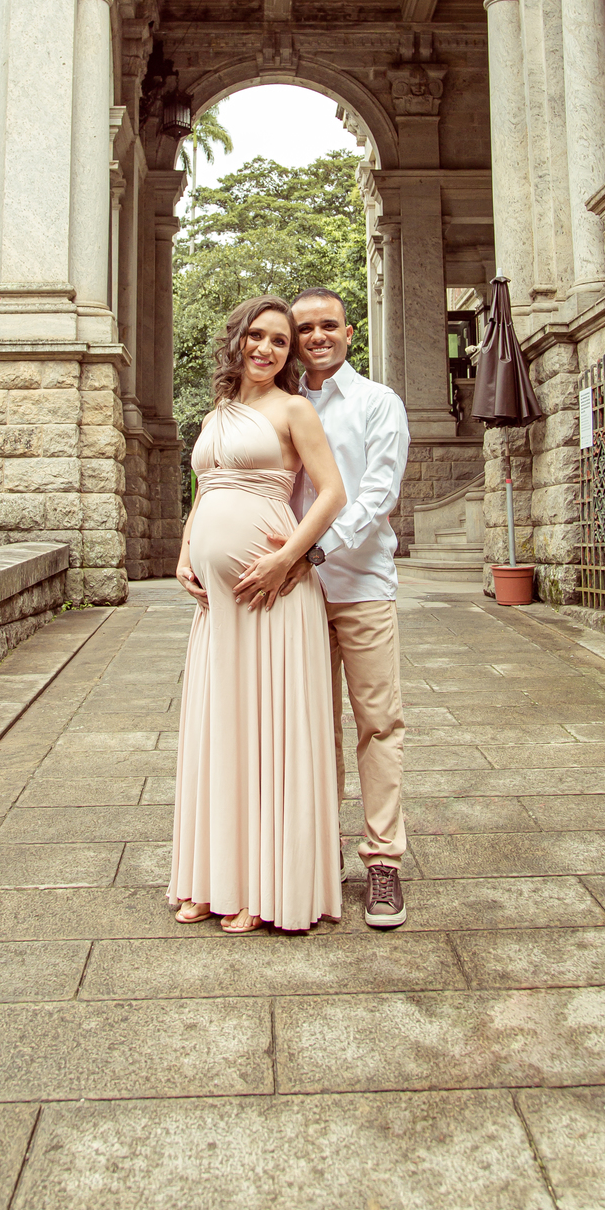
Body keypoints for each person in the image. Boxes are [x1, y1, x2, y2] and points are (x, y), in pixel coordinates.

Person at [169, 295, 347, 934]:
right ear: (238, 339)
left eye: (280, 341)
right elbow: (204, 489)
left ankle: (261, 890)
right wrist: (185, 549)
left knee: (265, 732)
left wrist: (286, 559)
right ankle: (211, 879)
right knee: (220, 728)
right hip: (217, 606)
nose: (267, 348)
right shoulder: (218, 412)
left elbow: (333, 493)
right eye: (257, 336)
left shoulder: (294, 409)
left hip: (273, 596)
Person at [238, 288, 410, 928]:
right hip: (292, 594)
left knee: (378, 724)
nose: (316, 337)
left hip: (360, 586)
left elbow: (377, 493)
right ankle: (318, 851)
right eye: (304, 328)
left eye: (328, 326)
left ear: (349, 332)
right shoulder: (277, 403)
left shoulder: (377, 402)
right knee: (308, 727)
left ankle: (384, 861)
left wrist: (311, 552)